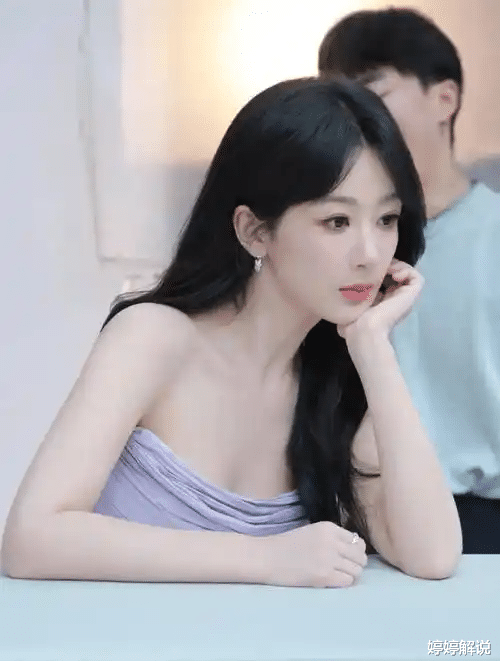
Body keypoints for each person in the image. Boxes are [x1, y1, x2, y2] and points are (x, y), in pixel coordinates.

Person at [1, 77, 461, 586]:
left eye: (387, 219)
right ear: (254, 231)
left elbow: (433, 556)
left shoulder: (339, 382)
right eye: (337, 222)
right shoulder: (154, 338)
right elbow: (31, 539)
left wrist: (373, 348)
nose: (370, 255)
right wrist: (264, 558)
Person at [318, 8, 500, 553]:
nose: (353, 115)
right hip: (361, 519)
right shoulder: (333, 243)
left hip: (484, 519)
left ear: (445, 99)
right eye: (339, 97)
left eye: (374, 92)